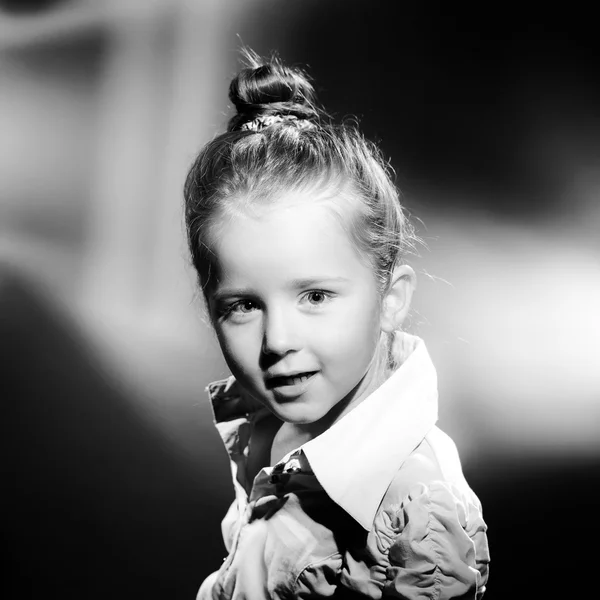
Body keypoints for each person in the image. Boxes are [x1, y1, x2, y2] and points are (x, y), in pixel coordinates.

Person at [184, 49, 490, 600]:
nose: (277, 342)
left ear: (391, 298)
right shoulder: (271, 431)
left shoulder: (414, 513)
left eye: (316, 295)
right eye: (243, 305)